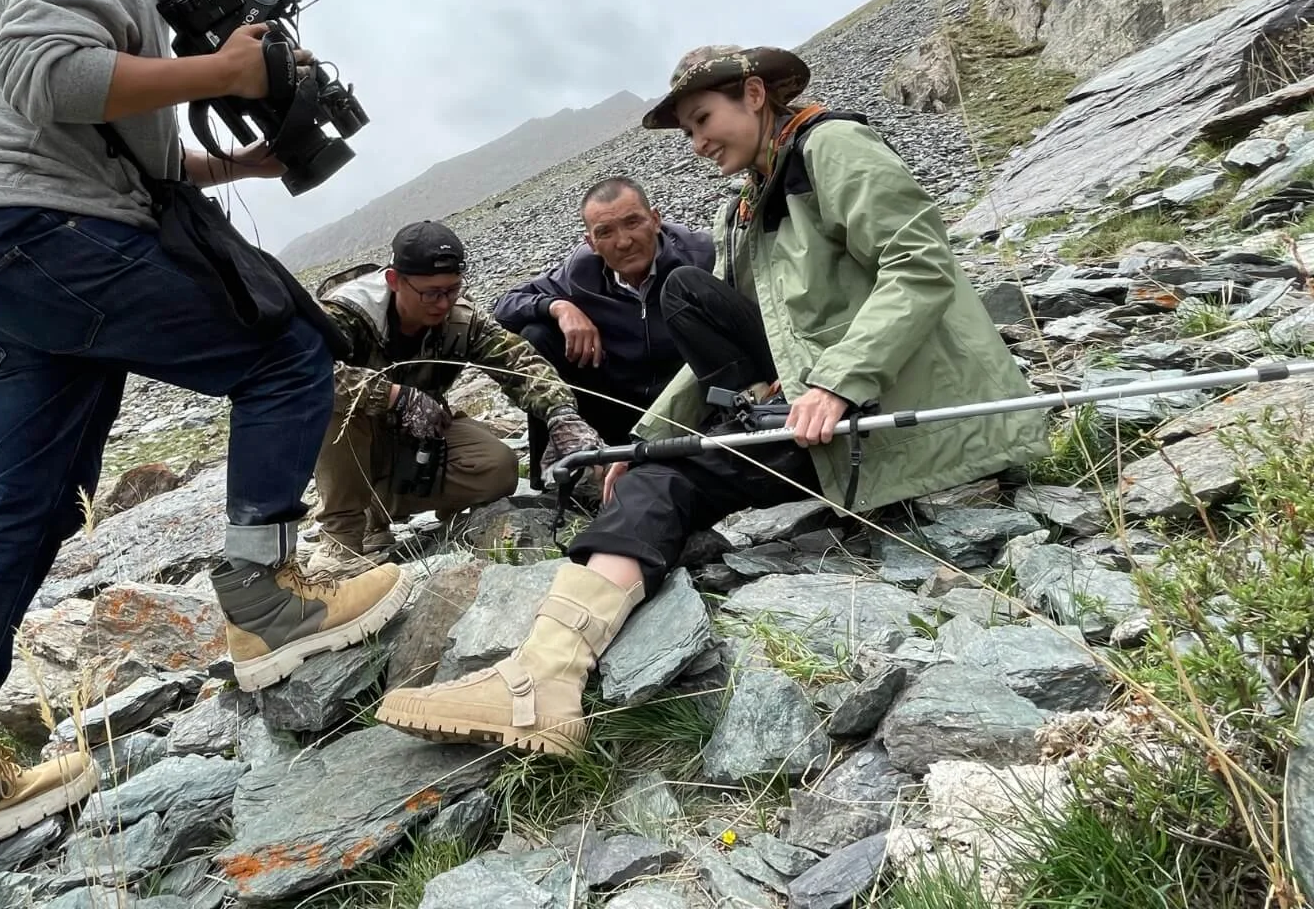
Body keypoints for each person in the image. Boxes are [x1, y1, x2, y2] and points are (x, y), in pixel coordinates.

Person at [0, 0, 409, 886]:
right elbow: (45, 77)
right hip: (45, 236)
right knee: (290, 347)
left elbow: (109, 132)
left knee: (27, 504)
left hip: (2, 247)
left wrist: (228, 158)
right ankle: (266, 603)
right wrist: (221, 64)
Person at [375, 44, 1050, 757]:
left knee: (679, 325)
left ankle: (539, 678)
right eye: (688, 132)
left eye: (703, 121)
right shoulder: (747, 204)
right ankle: (542, 680)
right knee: (661, 465)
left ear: (754, 94)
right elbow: (715, 349)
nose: (698, 144)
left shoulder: (834, 148)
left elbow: (920, 265)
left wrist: (836, 380)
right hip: (810, 412)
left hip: (876, 406)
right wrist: (644, 441)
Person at [304, 220, 607, 577]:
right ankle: (342, 539)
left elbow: (517, 360)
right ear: (394, 281)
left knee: (498, 468)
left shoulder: (459, 319)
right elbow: (307, 374)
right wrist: (393, 395)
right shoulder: (347, 313)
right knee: (334, 407)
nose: (443, 303)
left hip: (418, 437)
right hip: (353, 442)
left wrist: (561, 414)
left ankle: (379, 508)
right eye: (431, 293)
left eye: (452, 290)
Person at [492, 176, 714, 488]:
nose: (623, 241)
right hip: (616, 408)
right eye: (605, 232)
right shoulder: (580, 273)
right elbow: (504, 305)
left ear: (656, 219)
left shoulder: (701, 256)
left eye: (633, 222)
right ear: (591, 243)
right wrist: (559, 307)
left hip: (693, 405)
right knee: (537, 334)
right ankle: (560, 478)